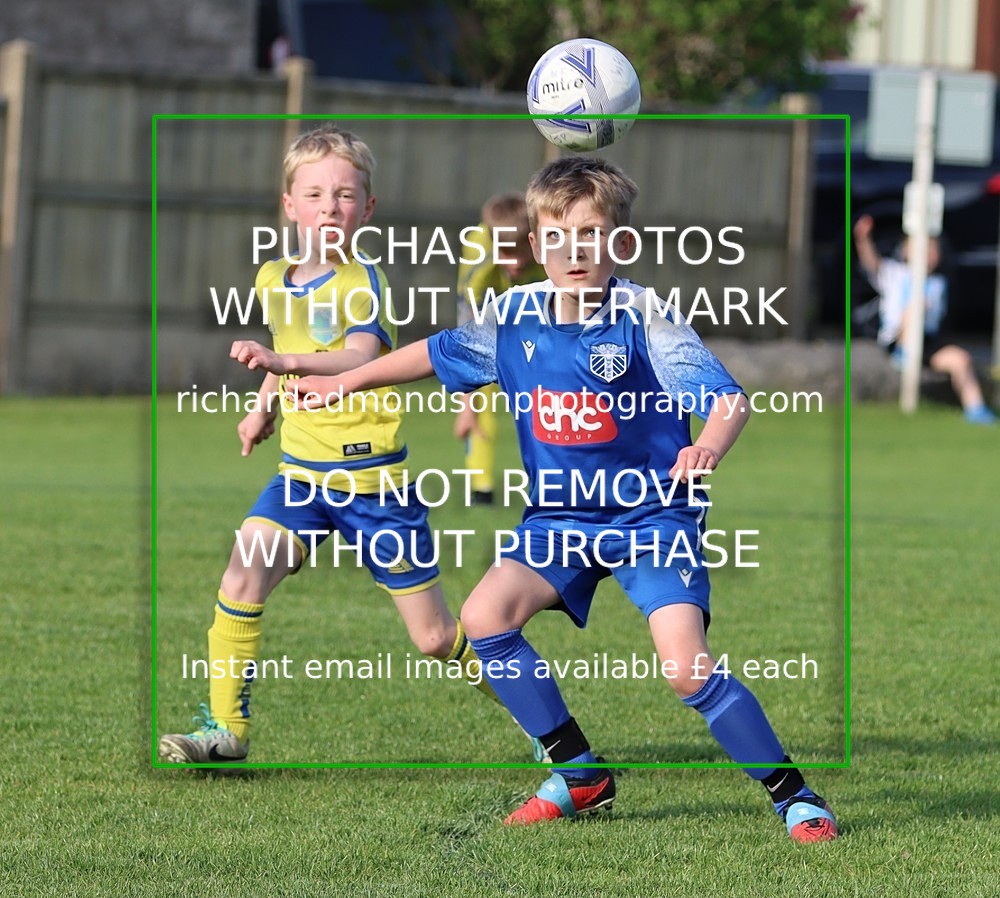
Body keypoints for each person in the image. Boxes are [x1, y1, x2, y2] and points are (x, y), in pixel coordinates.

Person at [288, 155, 839, 842]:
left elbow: (728, 400)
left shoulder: (647, 318)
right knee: (484, 619)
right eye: (557, 237)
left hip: (650, 516)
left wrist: (708, 447)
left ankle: (795, 796)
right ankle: (581, 774)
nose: (573, 251)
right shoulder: (512, 316)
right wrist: (346, 383)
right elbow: (434, 351)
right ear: (534, 245)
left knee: (685, 667)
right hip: (558, 520)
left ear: (621, 244)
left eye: (591, 235)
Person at [158, 125, 537, 763]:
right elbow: (285, 360)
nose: (330, 207)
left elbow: (358, 354)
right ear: (290, 206)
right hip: (301, 476)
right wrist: (263, 410)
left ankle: (542, 720)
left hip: (373, 486)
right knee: (241, 576)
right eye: (315, 194)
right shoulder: (272, 277)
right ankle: (228, 732)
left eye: (344, 195)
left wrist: (283, 358)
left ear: (368, 209)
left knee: (437, 636)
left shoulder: (365, 281)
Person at [853, 214, 996, 424]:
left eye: (932, 250)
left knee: (961, 359)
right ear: (906, 251)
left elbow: (935, 320)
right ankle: (904, 353)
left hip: (927, 342)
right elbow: (871, 264)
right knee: (914, 307)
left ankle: (976, 409)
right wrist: (862, 239)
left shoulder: (939, 284)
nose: (927, 255)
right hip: (898, 339)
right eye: (921, 249)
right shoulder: (895, 274)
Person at [454, 193, 544, 504]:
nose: (516, 263)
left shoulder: (552, 256)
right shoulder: (479, 265)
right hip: (491, 314)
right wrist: (467, 406)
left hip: (540, 311)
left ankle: (555, 477)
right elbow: (470, 335)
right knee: (482, 393)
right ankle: (481, 487)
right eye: (506, 253)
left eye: (522, 253)